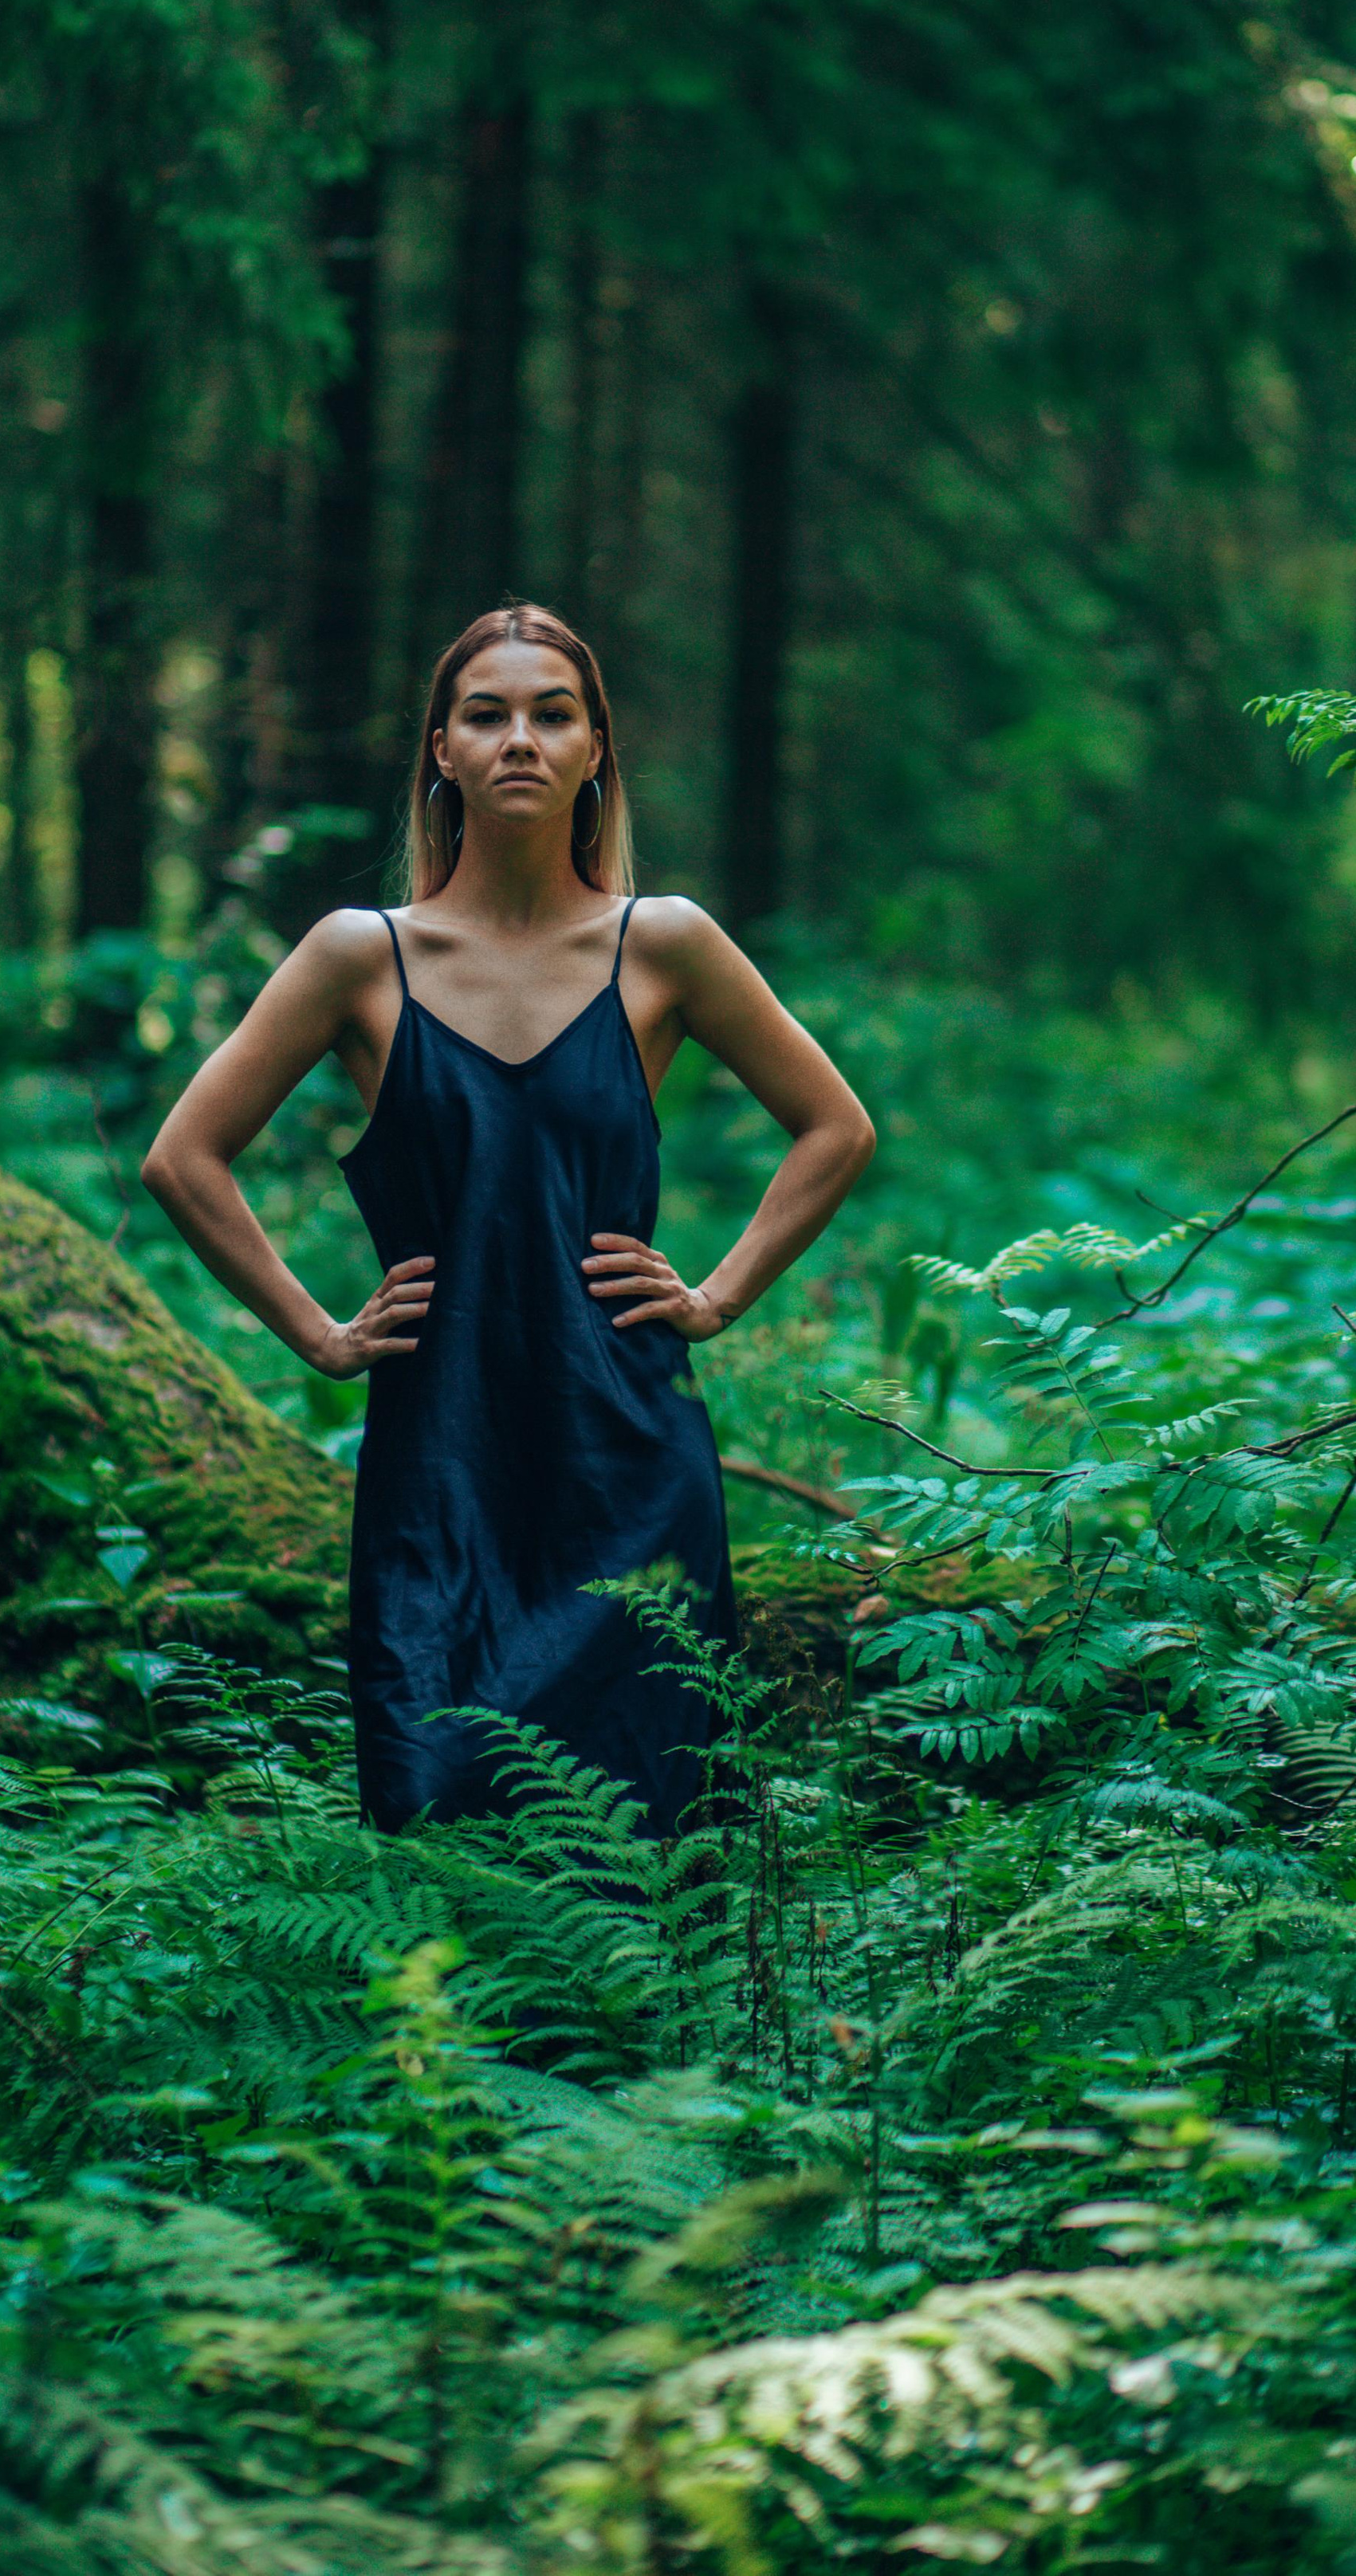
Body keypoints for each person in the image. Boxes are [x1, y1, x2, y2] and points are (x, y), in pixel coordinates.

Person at [142, 603, 875, 1833]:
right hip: (441, 1467)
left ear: (596, 750)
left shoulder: (665, 944)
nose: (520, 739)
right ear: (443, 750)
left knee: (650, 1849)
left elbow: (836, 1127)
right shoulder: (360, 956)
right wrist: (320, 1334)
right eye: (486, 715)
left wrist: (717, 1297)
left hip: (629, 1461)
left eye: (553, 714)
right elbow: (183, 1158)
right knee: (439, 1821)